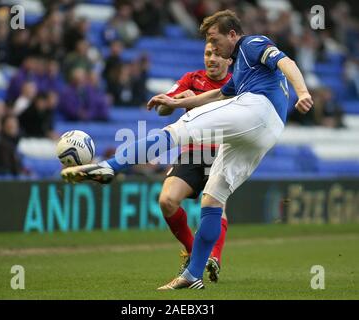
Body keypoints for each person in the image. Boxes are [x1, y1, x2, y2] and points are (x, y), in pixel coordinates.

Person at [61, 10, 313, 290]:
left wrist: (302, 92)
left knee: (179, 130)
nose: (213, 48)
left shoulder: (250, 44)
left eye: (215, 40)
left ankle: (111, 167)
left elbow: (285, 61)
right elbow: (219, 94)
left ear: (232, 34)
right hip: (267, 131)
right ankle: (193, 275)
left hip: (259, 109)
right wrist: (178, 102)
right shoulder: (240, 71)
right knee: (213, 198)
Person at [157, 42, 232, 283]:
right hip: (192, 152)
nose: (212, 58)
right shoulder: (191, 78)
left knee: (214, 207)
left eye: (218, 54)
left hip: (223, 153)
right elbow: (162, 109)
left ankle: (214, 258)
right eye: (208, 53)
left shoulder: (237, 84)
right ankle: (193, 251)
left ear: (229, 59)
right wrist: (178, 98)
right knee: (167, 201)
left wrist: (195, 102)